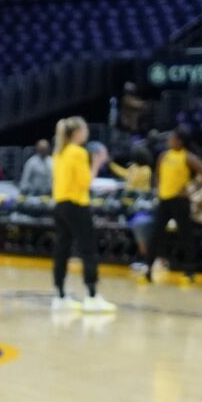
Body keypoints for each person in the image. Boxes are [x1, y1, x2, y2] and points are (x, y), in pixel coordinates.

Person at [50, 115, 113, 314]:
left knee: (62, 249)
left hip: (60, 205)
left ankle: (60, 296)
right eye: (85, 129)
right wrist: (96, 163)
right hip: (77, 204)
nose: (87, 133)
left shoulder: (59, 152)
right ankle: (92, 296)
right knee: (88, 248)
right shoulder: (78, 152)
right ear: (77, 133)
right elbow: (86, 183)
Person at [149, 129, 202, 282]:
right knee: (156, 233)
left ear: (180, 141)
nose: (169, 140)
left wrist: (192, 188)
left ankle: (189, 271)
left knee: (185, 235)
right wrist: (157, 188)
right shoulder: (164, 156)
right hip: (164, 200)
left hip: (180, 201)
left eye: (172, 138)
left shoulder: (188, 157)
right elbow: (156, 174)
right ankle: (148, 268)